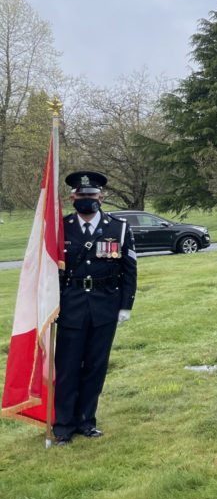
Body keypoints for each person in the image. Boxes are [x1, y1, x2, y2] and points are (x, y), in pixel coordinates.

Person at [53, 171, 137, 445]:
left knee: (95, 366)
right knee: (67, 368)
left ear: (101, 197)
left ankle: (87, 421)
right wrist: (49, 306)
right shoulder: (60, 228)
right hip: (71, 306)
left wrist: (126, 305)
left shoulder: (118, 228)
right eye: (81, 196)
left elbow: (129, 270)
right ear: (72, 197)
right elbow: (49, 272)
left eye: (91, 196)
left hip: (105, 305)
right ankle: (63, 425)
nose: (87, 200)